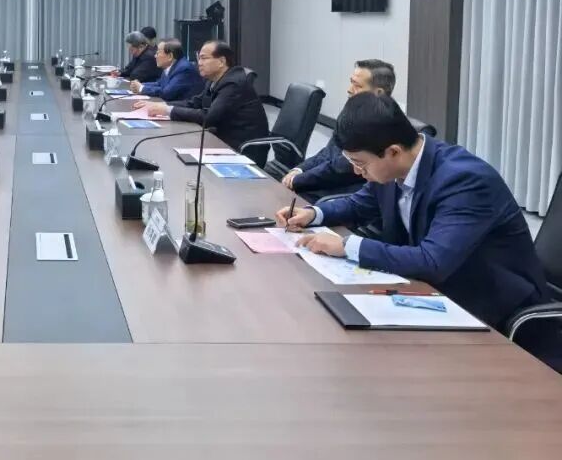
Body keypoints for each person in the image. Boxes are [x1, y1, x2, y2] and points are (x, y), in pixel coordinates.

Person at [276, 93, 551, 333]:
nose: (358, 172)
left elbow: (432, 261)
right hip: (432, 292)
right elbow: (359, 204)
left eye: (361, 164)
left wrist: (347, 246)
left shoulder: (465, 181)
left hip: (493, 310)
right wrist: (314, 214)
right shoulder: (392, 170)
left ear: (393, 151)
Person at [281, 59, 396, 202]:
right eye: (351, 82)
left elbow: (341, 168)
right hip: (322, 185)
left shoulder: (381, 125)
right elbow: (329, 152)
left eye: (357, 86)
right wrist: (299, 170)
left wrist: (298, 180)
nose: (349, 89)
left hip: (342, 196)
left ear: (378, 93)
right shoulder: (352, 110)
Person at [141, 40, 269, 163]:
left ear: (221, 61)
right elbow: (194, 103)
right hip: (220, 140)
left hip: (242, 149)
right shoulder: (214, 80)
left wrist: (169, 110)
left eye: (204, 58)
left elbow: (208, 117)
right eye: (199, 58)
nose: (199, 63)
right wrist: (163, 105)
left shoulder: (233, 84)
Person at [128, 38, 204, 101]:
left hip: (184, 111)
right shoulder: (170, 66)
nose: (155, 56)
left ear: (170, 56)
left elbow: (167, 93)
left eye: (158, 53)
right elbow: (159, 83)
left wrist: (142, 88)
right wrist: (140, 85)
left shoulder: (183, 69)